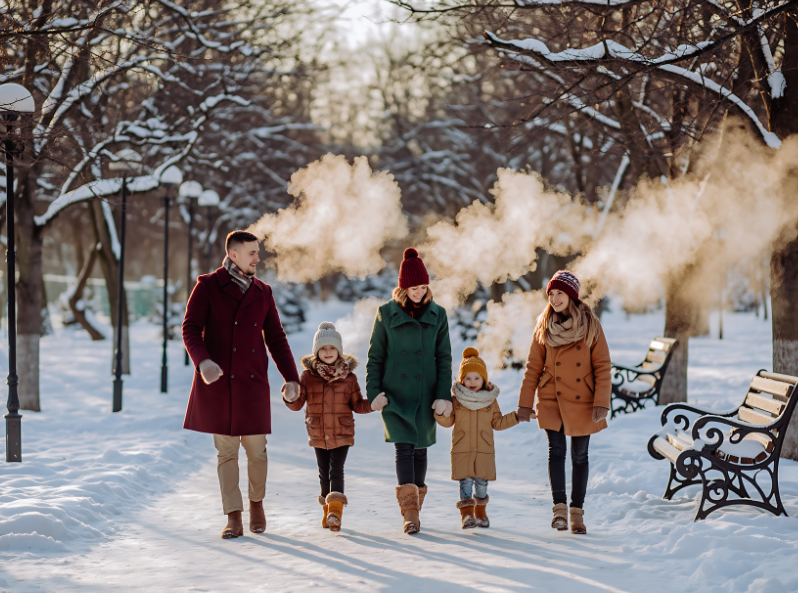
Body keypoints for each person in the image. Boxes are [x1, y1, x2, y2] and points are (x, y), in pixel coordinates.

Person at [182, 230, 300, 539]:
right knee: (226, 453)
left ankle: (256, 503)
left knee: (257, 451)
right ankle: (233, 515)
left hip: (252, 384)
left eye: (258, 252)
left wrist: (291, 378)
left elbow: (276, 338)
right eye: (252, 253)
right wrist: (203, 361)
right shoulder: (207, 286)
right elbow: (190, 328)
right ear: (234, 255)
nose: (257, 258)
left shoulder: (263, 292)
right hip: (220, 383)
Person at [516, 270, 611, 534]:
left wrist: (601, 402)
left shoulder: (591, 325)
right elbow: (533, 367)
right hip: (551, 398)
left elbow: (603, 366)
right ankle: (559, 510)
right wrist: (525, 404)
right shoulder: (543, 325)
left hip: (584, 399)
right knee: (556, 451)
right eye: (551, 294)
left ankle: (577, 514)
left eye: (560, 293)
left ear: (571, 295)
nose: (555, 298)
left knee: (580, 456)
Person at [366, 248, 453, 534]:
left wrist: (443, 395)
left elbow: (444, 358)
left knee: (420, 450)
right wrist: (373, 392)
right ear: (403, 287)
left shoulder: (438, 315)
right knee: (403, 447)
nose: (418, 293)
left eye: (423, 287)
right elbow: (375, 356)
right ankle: (410, 512)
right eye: (414, 288)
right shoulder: (385, 314)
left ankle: (414, 507)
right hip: (395, 393)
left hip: (426, 393)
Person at [283, 321, 373, 532]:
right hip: (318, 431)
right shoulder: (307, 376)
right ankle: (327, 514)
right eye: (323, 348)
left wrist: (373, 405)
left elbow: (357, 405)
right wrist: (289, 396)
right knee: (324, 473)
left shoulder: (348, 377)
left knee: (336, 469)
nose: (328, 352)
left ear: (339, 350)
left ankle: (335, 513)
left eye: (332, 347)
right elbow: (297, 405)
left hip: (342, 431)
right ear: (317, 352)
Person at [435, 347, 518, 529]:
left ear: (483, 379)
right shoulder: (456, 399)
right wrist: (440, 413)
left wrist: (517, 416)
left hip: (483, 450)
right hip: (462, 448)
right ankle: (467, 516)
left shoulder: (490, 401)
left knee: (481, 484)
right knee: (465, 483)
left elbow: (498, 423)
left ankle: (480, 513)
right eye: (468, 378)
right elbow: (448, 421)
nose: (472, 382)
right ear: (462, 380)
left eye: (476, 378)